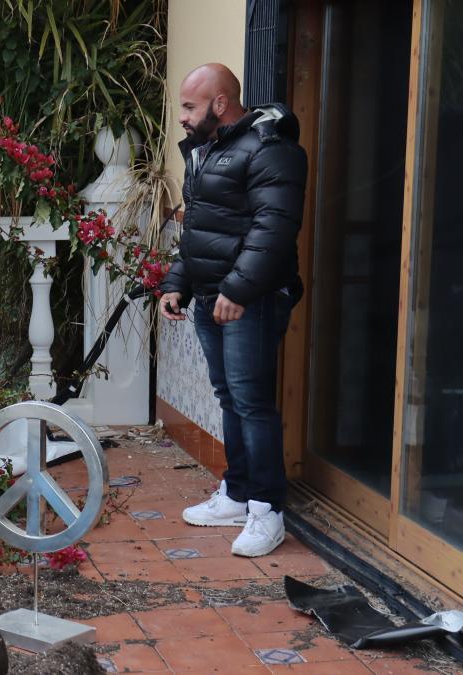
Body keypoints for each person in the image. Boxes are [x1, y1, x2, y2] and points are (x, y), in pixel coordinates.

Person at [158, 63, 307, 558]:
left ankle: (267, 511)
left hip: (252, 301)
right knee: (229, 396)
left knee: (252, 401)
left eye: (188, 106)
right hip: (210, 297)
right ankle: (238, 494)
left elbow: (274, 229)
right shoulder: (207, 151)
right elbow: (199, 230)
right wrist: (176, 283)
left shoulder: (271, 149)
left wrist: (239, 290)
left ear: (221, 104)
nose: (180, 117)